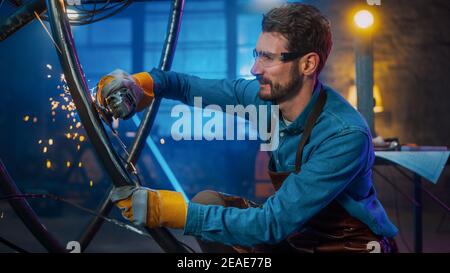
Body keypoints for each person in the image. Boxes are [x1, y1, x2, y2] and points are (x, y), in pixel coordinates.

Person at [96, 3, 398, 253]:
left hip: (348, 247)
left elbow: (271, 224)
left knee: (217, 217)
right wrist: (139, 84)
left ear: (308, 65)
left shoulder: (343, 135)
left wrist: (170, 210)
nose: (255, 69)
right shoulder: (262, 97)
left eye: (268, 58)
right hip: (299, 237)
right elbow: (187, 86)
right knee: (208, 203)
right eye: (257, 54)